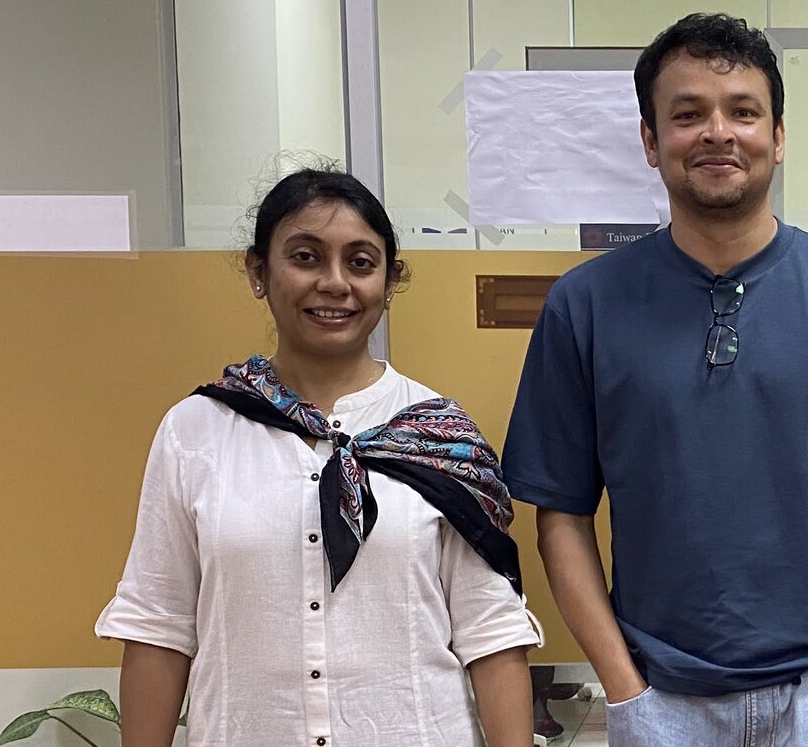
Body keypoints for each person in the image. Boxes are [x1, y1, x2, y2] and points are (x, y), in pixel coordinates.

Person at [503, 12, 808, 746]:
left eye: (743, 112)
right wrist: (623, 688)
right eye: (687, 115)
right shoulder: (585, 306)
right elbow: (561, 512)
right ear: (651, 142)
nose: (718, 132)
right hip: (658, 700)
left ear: (778, 137)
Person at [97, 168, 541, 747]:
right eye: (305, 257)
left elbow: (491, 633)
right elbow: (160, 626)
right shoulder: (196, 432)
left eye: (360, 262)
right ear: (260, 271)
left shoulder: (440, 439)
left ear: (388, 282)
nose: (334, 284)